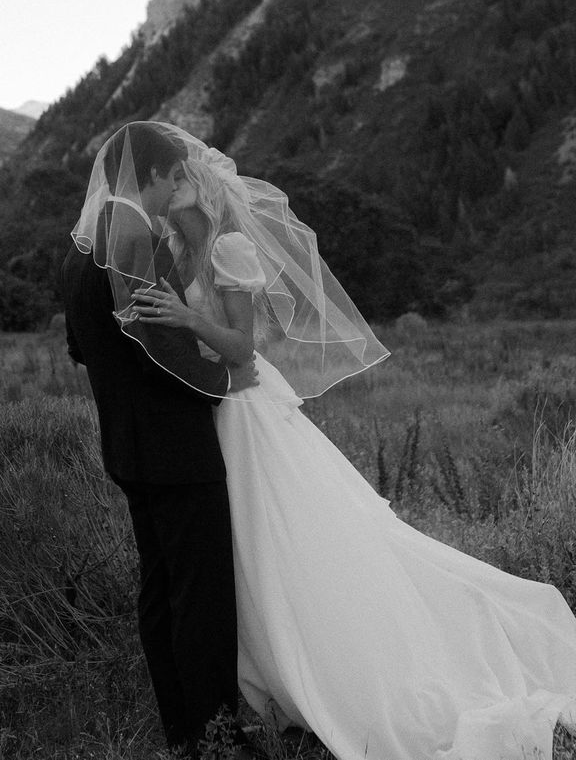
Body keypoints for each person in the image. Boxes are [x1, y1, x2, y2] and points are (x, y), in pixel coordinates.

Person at [116, 122, 576, 760]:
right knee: (245, 552)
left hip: (249, 408)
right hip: (216, 410)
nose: (166, 190)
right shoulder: (175, 251)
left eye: (177, 178)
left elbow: (245, 348)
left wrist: (190, 318)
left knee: (292, 541)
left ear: (197, 185)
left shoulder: (228, 250)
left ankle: (337, 671)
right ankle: (262, 681)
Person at [62, 122, 259, 758]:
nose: (178, 184)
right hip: (176, 448)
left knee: (159, 589)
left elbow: (79, 349)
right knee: (200, 594)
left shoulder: (80, 245)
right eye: (173, 175)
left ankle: (181, 730)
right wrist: (224, 382)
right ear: (148, 175)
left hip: (126, 445)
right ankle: (215, 734)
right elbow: (162, 350)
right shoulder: (131, 239)